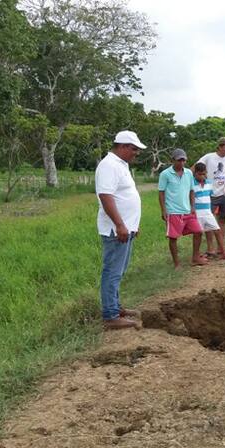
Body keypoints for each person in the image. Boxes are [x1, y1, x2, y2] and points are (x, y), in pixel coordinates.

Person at [95, 131, 144, 330]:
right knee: (112, 272)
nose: (136, 153)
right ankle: (110, 315)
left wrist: (132, 225)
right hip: (116, 230)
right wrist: (120, 225)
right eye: (134, 149)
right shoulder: (109, 165)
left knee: (119, 271)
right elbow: (106, 196)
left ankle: (115, 307)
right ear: (122, 146)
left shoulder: (120, 165)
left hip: (125, 229)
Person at [158, 148, 205, 268]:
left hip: (187, 210)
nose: (182, 163)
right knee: (173, 237)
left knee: (198, 231)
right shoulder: (165, 174)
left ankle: (195, 257)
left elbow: (191, 191)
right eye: (179, 160)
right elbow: (161, 193)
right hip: (173, 211)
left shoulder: (189, 173)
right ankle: (176, 263)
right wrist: (163, 210)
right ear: (173, 160)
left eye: (184, 160)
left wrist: (193, 207)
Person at [196, 137, 225, 257]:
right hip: (210, 191)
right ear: (219, 147)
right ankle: (210, 248)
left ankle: (220, 248)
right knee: (208, 220)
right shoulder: (209, 157)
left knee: (222, 219)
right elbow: (196, 166)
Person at [192, 162, 225, 261]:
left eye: (204, 174)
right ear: (195, 174)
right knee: (197, 234)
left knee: (217, 230)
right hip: (197, 213)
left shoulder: (208, 183)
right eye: (200, 174)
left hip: (207, 212)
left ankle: (223, 252)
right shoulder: (192, 184)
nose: (202, 176)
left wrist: (215, 209)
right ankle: (196, 255)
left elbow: (211, 197)